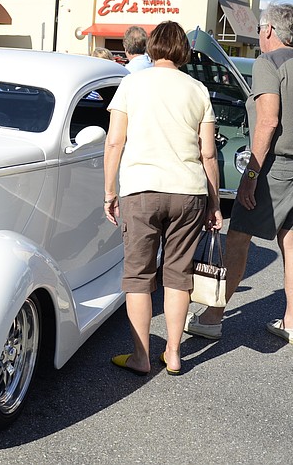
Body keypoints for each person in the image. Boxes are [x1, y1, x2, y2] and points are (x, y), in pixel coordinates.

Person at [185, 2, 293, 346]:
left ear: (268, 30)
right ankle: (292, 322)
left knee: (237, 238)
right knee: (290, 240)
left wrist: (250, 176)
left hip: (273, 167)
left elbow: (268, 121)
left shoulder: (267, 63)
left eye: (260, 31)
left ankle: (212, 318)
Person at [104, 21, 222, 376]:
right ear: (183, 51)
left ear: (152, 46)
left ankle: (140, 357)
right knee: (178, 275)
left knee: (138, 277)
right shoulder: (198, 89)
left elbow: (114, 141)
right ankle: (173, 353)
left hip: (141, 189)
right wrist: (214, 203)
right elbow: (208, 154)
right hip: (188, 191)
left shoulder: (131, 83)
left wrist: (110, 191)